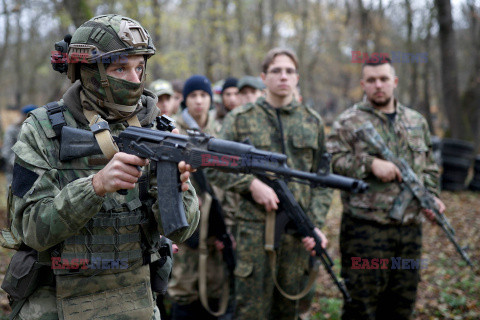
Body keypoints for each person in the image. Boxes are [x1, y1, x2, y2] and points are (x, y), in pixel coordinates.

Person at [1, 14, 200, 320]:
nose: (135, 79)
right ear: (90, 71)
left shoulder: (159, 126)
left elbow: (182, 232)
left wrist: (174, 186)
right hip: (57, 302)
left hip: (136, 302)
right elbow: (29, 229)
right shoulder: (43, 128)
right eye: (120, 67)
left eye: (139, 67)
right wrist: (95, 187)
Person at [209, 48, 332, 319]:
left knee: (289, 312)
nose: (283, 77)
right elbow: (214, 166)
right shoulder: (240, 119)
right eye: (276, 71)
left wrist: (315, 225)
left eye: (289, 71)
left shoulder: (313, 121)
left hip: (297, 237)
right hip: (253, 237)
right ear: (263, 77)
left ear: (297, 77)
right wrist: (249, 184)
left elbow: (323, 182)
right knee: (250, 312)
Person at [326, 57, 445, 320]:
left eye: (383, 79)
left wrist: (432, 197)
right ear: (363, 84)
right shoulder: (348, 121)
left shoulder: (416, 121)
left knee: (402, 303)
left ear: (395, 82)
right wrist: (369, 164)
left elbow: (429, 167)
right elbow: (332, 162)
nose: (378, 85)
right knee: (362, 305)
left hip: (409, 232)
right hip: (365, 231)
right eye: (371, 80)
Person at [168, 75, 228, 320]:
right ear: (185, 100)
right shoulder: (174, 128)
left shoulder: (221, 129)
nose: (199, 101)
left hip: (216, 220)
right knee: (184, 286)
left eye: (204, 95)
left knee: (215, 284)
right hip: (185, 219)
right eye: (193, 96)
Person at [1, 104, 37, 185]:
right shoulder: (12, 130)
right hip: (14, 169)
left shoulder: (38, 130)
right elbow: (6, 151)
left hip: (34, 171)